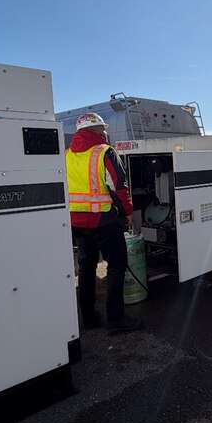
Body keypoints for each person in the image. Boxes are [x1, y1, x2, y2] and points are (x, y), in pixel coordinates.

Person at [66, 112, 143, 334]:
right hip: (102, 220)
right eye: (103, 128)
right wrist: (127, 212)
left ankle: (88, 318)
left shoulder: (67, 154)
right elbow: (118, 186)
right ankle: (116, 319)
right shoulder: (104, 152)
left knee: (86, 268)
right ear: (97, 129)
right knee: (117, 265)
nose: (105, 132)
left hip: (76, 222)